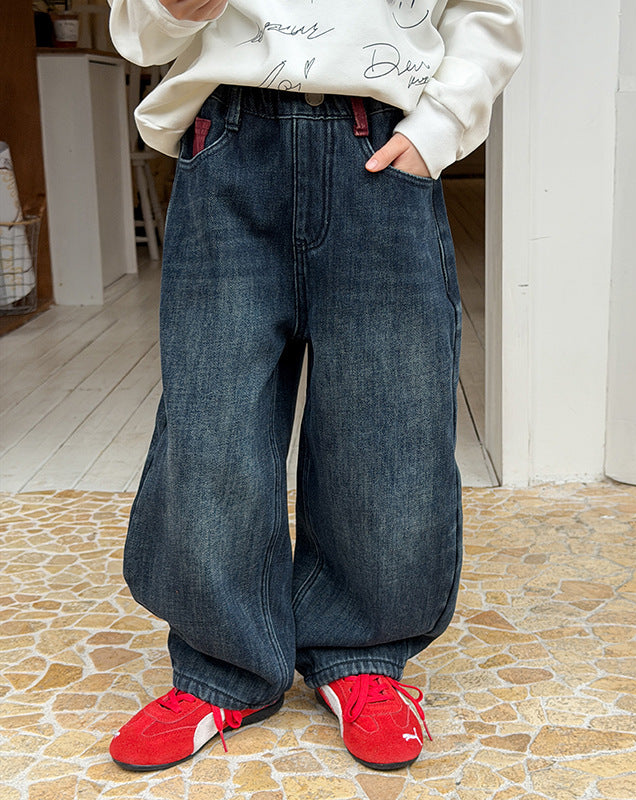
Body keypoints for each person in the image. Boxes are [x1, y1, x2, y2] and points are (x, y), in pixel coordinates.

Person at [106, 0, 523, 773]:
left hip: (380, 141)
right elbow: (138, 30)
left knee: (387, 420)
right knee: (214, 417)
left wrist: (436, 131)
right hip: (227, 139)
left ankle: (361, 655)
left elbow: (485, 12)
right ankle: (223, 666)